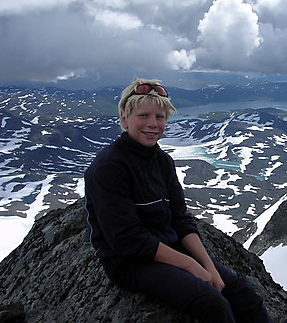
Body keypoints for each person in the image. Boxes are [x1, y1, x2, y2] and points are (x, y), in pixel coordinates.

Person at [84, 78, 273, 323]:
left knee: (244, 295)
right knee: (212, 304)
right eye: (143, 115)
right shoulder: (108, 166)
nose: (153, 124)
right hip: (129, 262)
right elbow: (127, 240)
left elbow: (181, 222)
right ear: (124, 118)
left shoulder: (162, 162)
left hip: (169, 248)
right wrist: (191, 267)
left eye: (160, 117)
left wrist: (209, 267)